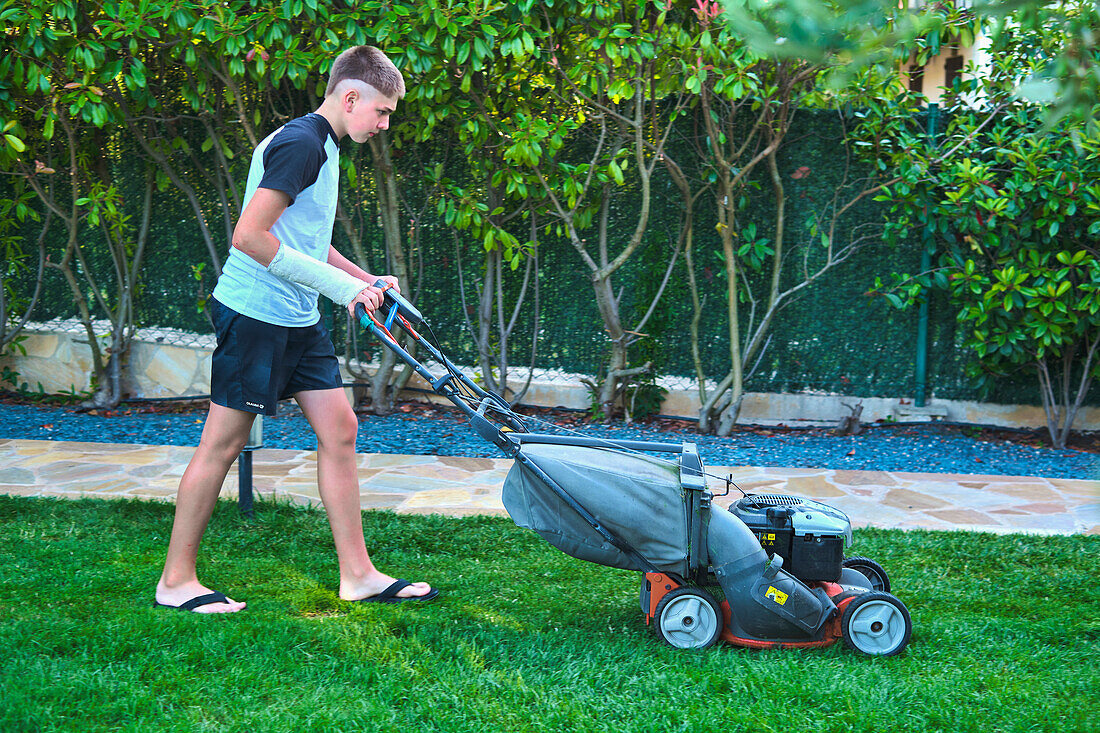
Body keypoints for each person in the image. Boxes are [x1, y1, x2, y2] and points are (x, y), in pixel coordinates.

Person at [154, 46, 438, 613]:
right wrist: (343, 291)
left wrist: (365, 278)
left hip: (299, 316)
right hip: (255, 314)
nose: (383, 125)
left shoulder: (324, 146)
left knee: (340, 429)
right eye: (381, 112)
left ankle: (358, 574)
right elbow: (250, 237)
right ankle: (175, 581)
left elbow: (304, 239)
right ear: (350, 97)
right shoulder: (301, 145)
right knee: (223, 442)